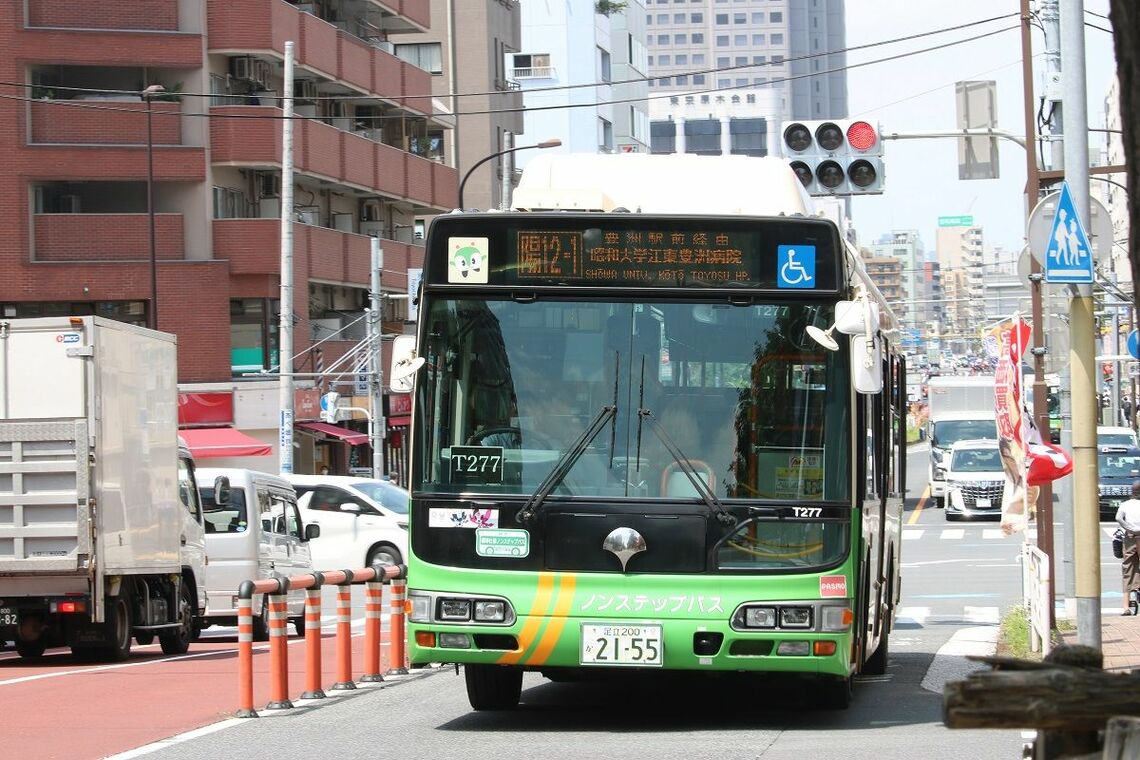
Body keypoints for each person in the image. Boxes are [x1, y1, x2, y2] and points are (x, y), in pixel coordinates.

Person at [1114, 481, 1140, 616]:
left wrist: (1129, 527)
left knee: (1127, 569)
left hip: (1129, 537)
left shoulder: (1125, 504)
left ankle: (1125, 606)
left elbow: (1118, 518)